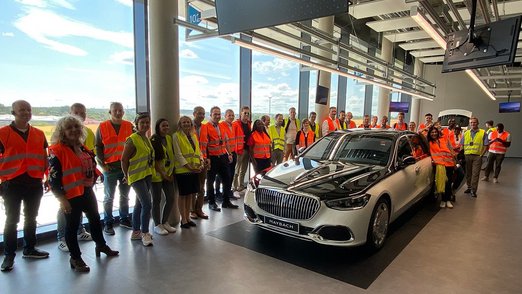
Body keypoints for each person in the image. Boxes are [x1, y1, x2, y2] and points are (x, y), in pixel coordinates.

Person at [48, 115, 119, 272]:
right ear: (62, 131)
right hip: (70, 195)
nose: (74, 130)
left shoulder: (81, 147)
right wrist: (62, 200)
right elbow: (53, 178)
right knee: (72, 227)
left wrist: (96, 175)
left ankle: (101, 245)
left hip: (86, 191)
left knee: (94, 219)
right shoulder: (57, 150)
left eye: (76, 126)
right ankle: (75, 258)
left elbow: (89, 166)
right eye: (69, 128)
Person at [0, 100, 49, 272]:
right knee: (12, 220)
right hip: (11, 183)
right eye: (22, 110)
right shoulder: (2, 133)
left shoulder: (39, 133)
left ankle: (29, 248)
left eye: (29, 109)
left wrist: (47, 178)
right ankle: (9, 255)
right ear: (13, 112)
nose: (26, 112)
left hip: (34, 181)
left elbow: (45, 158)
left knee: (31, 217)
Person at [56, 103, 94, 252]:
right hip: (68, 183)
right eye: (76, 113)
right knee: (65, 209)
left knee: (80, 209)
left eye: (82, 113)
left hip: (84, 180)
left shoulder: (88, 132)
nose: (80, 115)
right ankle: (61, 237)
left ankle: (80, 230)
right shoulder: (62, 136)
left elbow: (90, 152)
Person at [95, 102, 133, 235]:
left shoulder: (129, 126)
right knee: (109, 197)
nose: (118, 112)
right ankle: (108, 222)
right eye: (115, 110)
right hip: (109, 168)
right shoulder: (102, 126)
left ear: (123, 112)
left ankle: (124, 218)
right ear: (110, 112)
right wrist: (102, 165)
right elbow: (98, 146)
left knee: (125, 195)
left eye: (120, 110)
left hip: (125, 167)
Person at [121, 113, 155, 246]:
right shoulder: (132, 139)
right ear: (137, 124)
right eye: (142, 123)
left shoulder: (145, 138)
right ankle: (145, 232)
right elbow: (124, 159)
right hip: (136, 177)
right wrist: (126, 175)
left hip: (146, 174)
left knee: (139, 204)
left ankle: (136, 231)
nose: (145, 125)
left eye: (147, 122)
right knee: (147, 204)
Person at [200, 106, 238, 211]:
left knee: (227, 179)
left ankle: (226, 201)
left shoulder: (221, 126)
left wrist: (229, 154)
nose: (217, 116)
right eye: (215, 114)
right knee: (210, 181)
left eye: (219, 114)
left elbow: (225, 141)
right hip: (212, 158)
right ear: (210, 115)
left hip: (223, 157)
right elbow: (203, 145)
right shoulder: (206, 127)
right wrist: (206, 158)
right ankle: (212, 203)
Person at [172, 116, 203, 229]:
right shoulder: (176, 136)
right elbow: (178, 155)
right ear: (180, 124)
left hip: (194, 169)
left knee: (190, 194)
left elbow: (198, 151)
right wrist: (189, 167)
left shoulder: (193, 136)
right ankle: (183, 219)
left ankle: (188, 217)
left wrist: (201, 162)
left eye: (188, 122)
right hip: (183, 170)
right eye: (184, 122)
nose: (186, 124)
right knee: (183, 195)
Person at [150, 118, 177, 235]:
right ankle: (157, 224)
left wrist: (169, 173)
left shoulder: (169, 138)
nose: (166, 128)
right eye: (163, 126)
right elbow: (154, 160)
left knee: (171, 198)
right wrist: (163, 174)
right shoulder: (154, 139)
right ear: (158, 127)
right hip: (157, 175)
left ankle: (165, 221)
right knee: (156, 200)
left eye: (167, 125)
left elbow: (170, 156)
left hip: (168, 173)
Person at [427, 126, 456, 208]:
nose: (434, 133)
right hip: (439, 165)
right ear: (430, 133)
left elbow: (451, 150)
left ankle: (448, 200)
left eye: (435, 132)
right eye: (432, 132)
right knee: (442, 183)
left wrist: (454, 162)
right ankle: (443, 200)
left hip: (449, 163)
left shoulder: (444, 139)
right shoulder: (429, 142)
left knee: (449, 182)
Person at [461, 117, 489, 198]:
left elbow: (486, 145)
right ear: (470, 124)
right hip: (467, 155)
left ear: (478, 123)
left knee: (475, 174)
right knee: (468, 173)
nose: (473, 124)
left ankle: (473, 190)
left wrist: (481, 155)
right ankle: (469, 187)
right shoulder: (466, 133)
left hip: (477, 156)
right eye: (471, 123)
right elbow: (462, 145)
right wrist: (462, 155)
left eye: (474, 122)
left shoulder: (483, 133)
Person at [191, 106, 209, 220]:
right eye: (199, 113)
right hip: (192, 162)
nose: (201, 116)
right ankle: (191, 210)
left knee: (202, 188)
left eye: (203, 114)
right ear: (194, 114)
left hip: (203, 161)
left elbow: (207, 144)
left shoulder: (205, 127)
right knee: (193, 188)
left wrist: (208, 158)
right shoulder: (188, 126)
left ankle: (199, 209)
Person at [219, 109, 239, 200]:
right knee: (224, 174)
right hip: (225, 153)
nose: (231, 117)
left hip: (233, 152)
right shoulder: (221, 125)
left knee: (231, 173)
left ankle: (228, 192)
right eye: (229, 115)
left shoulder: (234, 125)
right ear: (225, 116)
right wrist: (228, 153)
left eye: (232, 115)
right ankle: (221, 193)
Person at [233, 106, 251, 193]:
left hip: (247, 150)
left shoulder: (248, 124)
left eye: (248, 113)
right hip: (239, 150)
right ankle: (234, 187)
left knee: (243, 170)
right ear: (241, 113)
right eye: (245, 113)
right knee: (236, 170)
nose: (246, 115)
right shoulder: (236, 124)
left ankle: (241, 186)